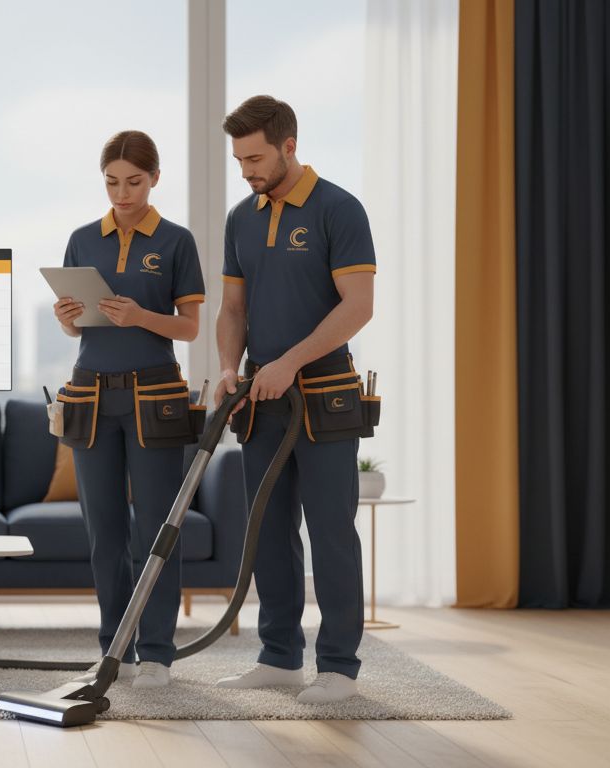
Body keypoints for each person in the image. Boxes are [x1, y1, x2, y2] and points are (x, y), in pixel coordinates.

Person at [212, 95, 376, 703]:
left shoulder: (339, 209)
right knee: (268, 531)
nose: (246, 171)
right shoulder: (241, 218)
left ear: (289, 146)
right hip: (261, 396)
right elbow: (233, 309)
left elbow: (358, 307)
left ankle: (339, 667)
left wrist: (290, 362)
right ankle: (279, 657)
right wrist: (229, 368)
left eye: (255, 159)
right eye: (239, 160)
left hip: (324, 395)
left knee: (331, 531)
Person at [53, 130, 206, 689]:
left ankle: (158, 653)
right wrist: (67, 319)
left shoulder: (176, 241)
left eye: (134, 182)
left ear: (155, 179)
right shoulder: (81, 239)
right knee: (106, 533)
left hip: (154, 397)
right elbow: (79, 329)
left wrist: (140, 316)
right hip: (91, 396)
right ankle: (113, 651)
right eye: (112, 182)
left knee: (157, 530)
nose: (122, 193)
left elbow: (189, 328)